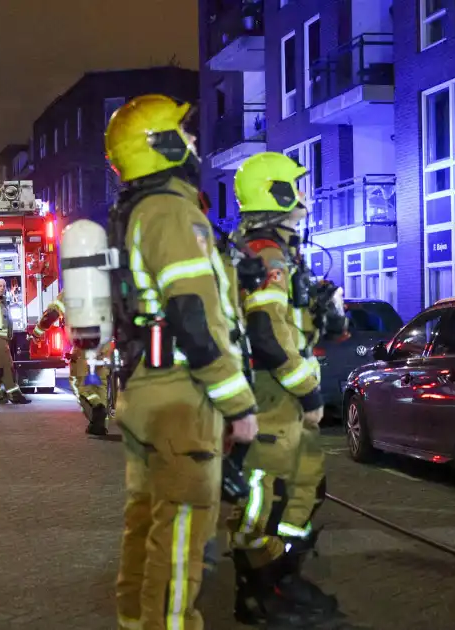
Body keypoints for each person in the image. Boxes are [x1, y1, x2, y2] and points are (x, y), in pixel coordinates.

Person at [105, 94, 258, 630]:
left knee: (146, 519)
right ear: (163, 145)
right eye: (184, 133)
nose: (193, 142)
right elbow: (194, 316)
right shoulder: (172, 212)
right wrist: (237, 402)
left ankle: (133, 618)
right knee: (182, 535)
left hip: (147, 387)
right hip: (181, 396)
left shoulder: (139, 212)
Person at [227, 151, 346, 627]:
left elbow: (287, 326)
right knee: (264, 501)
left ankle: (280, 578)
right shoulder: (266, 253)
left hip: (280, 399)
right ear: (275, 193)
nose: (303, 196)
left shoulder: (274, 251)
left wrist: (321, 311)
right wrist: (311, 394)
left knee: (305, 491)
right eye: (295, 186)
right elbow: (266, 336)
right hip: (272, 397)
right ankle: (261, 590)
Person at [32, 292, 109, 435]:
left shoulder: (72, 289)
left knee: (77, 381)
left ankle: (96, 407)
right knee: (100, 381)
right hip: (105, 343)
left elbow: (51, 316)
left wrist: (37, 332)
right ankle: (99, 424)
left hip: (85, 342)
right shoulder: (105, 283)